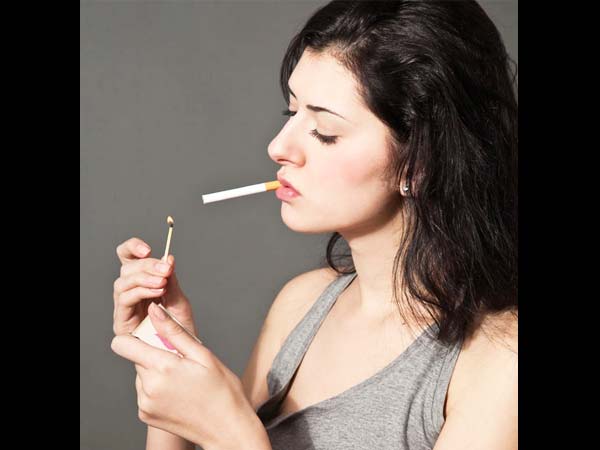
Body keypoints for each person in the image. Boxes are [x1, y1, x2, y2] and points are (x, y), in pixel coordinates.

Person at [110, 0, 518, 448]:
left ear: (419, 162)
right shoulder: (300, 303)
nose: (278, 147)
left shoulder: (502, 360)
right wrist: (167, 357)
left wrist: (231, 432)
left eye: (324, 131)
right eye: (292, 114)